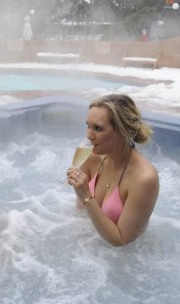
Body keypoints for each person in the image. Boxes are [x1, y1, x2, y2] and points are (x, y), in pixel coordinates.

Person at [66, 94, 159, 246]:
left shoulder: (144, 178)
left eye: (98, 128)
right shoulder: (91, 157)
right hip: (90, 248)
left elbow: (121, 241)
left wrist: (86, 196)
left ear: (123, 132)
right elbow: (81, 216)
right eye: (88, 126)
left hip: (125, 259)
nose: (89, 135)